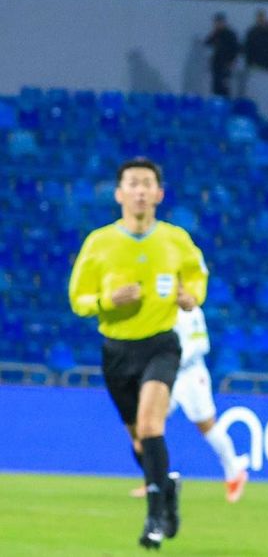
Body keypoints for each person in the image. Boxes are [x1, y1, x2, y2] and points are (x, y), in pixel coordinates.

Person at [68, 157, 208, 549]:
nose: (141, 190)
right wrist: (105, 300)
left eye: (148, 183)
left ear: (159, 194)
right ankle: (167, 490)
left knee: (150, 427)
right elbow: (77, 298)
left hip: (160, 344)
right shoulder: (99, 243)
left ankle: (154, 520)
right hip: (116, 350)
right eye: (133, 183)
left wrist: (191, 296)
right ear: (119, 194)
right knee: (138, 440)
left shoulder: (175, 239)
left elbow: (197, 273)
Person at [130, 306, 249, 503]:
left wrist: (173, 358)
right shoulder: (159, 306)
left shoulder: (191, 310)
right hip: (165, 374)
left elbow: (202, 344)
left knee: (206, 425)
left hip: (191, 374)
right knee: (148, 425)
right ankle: (153, 480)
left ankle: (234, 472)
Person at [204, 13, 239, 97]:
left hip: (226, 64)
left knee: (224, 86)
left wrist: (231, 61)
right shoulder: (216, 34)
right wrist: (214, 32)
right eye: (216, 23)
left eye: (219, 22)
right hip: (217, 64)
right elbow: (207, 42)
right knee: (216, 86)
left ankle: (225, 104)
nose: (217, 25)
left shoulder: (230, 34)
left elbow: (235, 48)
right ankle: (217, 103)